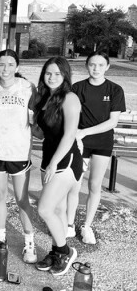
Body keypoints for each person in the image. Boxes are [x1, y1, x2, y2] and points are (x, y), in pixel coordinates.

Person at [0, 49, 37, 263]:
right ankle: (0, 238)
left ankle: (29, 242)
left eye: (10, 64)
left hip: (19, 152)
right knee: (0, 196)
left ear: (17, 67)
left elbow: (37, 115)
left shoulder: (27, 88)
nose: (5, 69)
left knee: (22, 199)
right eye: (1, 64)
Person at [67, 51, 126, 244]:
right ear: (86, 66)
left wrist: (84, 132)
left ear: (107, 67)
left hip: (101, 143)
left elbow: (112, 122)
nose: (96, 69)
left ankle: (87, 226)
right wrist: (78, 134)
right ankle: (69, 225)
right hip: (80, 143)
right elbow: (71, 115)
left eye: (101, 65)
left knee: (94, 185)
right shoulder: (77, 88)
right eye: (92, 64)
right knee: (74, 185)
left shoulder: (115, 90)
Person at [34, 57, 81, 275]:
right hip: (48, 158)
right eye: (48, 73)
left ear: (65, 76)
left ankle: (65, 251)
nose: (52, 77)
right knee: (58, 210)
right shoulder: (44, 97)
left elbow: (70, 134)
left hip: (65, 161)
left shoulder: (69, 98)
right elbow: (44, 132)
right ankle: (55, 251)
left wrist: (54, 163)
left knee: (44, 208)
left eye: (57, 74)